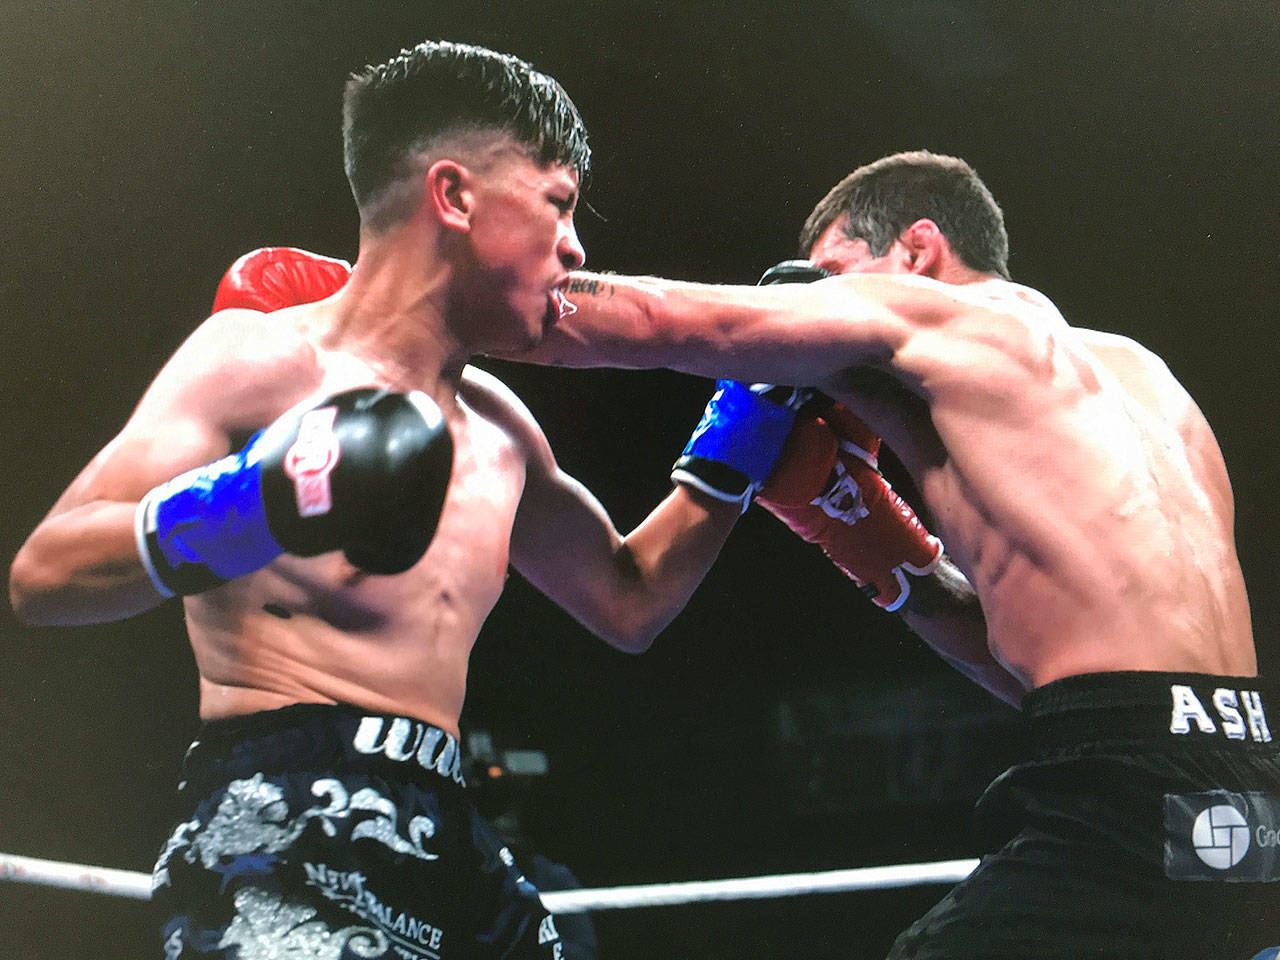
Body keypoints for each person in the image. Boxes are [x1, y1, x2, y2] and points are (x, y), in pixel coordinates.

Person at [7, 40, 800, 960]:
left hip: (452, 833)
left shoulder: (503, 428)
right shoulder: (264, 361)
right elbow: (46, 571)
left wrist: (749, 416)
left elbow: (631, 600)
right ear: (455, 196)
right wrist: (259, 501)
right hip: (282, 819)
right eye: (559, 203)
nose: (576, 246)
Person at [513, 150, 1280, 957]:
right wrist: (868, 536)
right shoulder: (1144, 376)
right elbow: (1052, 668)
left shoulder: (941, 320)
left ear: (916, 250)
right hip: (1247, 782)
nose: (825, 303)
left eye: (837, 273)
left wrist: (464, 296)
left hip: (1121, 783)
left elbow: (673, 323)